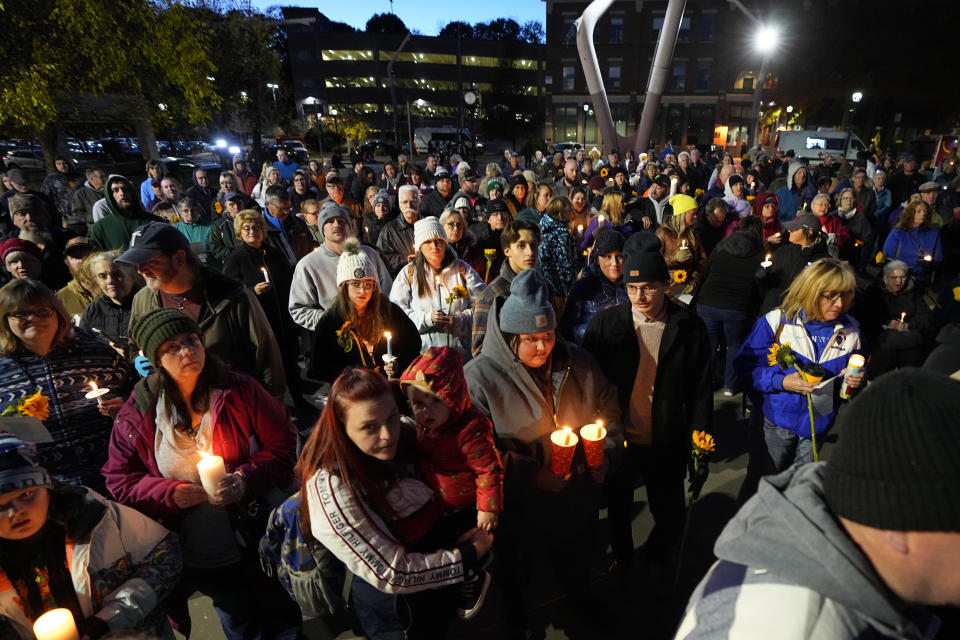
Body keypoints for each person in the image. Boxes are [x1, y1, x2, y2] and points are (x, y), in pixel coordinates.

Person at [676, 368, 960, 640]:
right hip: (782, 420)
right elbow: (748, 366)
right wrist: (781, 380)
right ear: (901, 518)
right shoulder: (778, 627)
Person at [103, 308, 302, 640]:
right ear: (156, 359)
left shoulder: (238, 389)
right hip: (199, 548)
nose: (186, 351)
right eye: (172, 347)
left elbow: (283, 443)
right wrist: (168, 493)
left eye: (191, 341)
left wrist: (244, 479)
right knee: (237, 617)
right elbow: (119, 479)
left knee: (279, 609)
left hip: (255, 532)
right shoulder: (140, 409)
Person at [464, 269, 621, 635]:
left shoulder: (579, 363)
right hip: (520, 509)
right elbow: (477, 452)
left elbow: (609, 407)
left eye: (547, 336)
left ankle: (580, 603)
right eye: (531, 339)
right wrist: (533, 475)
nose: (542, 347)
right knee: (517, 577)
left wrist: (608, 453)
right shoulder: (480, 378)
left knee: (577, 565)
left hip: (576, 498)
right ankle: (517, 621)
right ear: (509, 336)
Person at [300, 367, 494, 638]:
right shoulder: (332, 488)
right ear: (342, 428)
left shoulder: (405, 431)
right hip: (395, 609)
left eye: (391, 418)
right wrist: (468, 556)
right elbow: (392, 573)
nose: (387, 435)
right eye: (369, 427)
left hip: (435, 581)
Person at [582, 232, 712, 579]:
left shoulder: (689, 328)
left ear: (666, 284)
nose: (640, 297)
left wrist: (700, 443)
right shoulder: (607, 325)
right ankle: (624, 563)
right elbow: (589, 385)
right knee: (619, 512)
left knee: (671, 515)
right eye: (631, 288)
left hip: (665, 439)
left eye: (649, 287)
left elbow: (700, 391)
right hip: (619, 440)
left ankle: (655, 557)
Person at [0, 434, 182, 640]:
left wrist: (105, 621)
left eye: (26, 495)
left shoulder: (96, 519)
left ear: (46, 488)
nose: (16, 512)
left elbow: (165, 558)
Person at [736, 259, 864, 496]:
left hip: (819, 422)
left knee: (800, 490)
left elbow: (850, 374)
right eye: (830, 296)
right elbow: (744, 367)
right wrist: (781, 381)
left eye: (845, 295)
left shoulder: (852, 331)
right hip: (776, 422)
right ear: (811, 290)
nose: (839, 304)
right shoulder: (777, 322)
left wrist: (852, 380)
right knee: (763, 488)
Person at [119, 222, 286, 399]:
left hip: (232, 406)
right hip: (179, 410)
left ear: (179, 258)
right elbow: (134, 344)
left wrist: (270, 405)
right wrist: (139, 356)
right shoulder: (143, 299)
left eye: (150, 261)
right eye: (138, 263)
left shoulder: (232, 296)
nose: (141, 270)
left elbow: (266, 356)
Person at [0, 279, 133, 492]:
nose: (32, 318)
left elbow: (141, 399)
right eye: (20, 313)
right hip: (46, 491)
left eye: (42, 311)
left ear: (57, 313)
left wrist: (125, 405)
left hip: (115, 477)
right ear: (5, 320)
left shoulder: (98, 354)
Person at [222, 210, 308, 413]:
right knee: (267, 367)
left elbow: (289, 281)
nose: (253, 231)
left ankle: (298, 399)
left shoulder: (274, 254)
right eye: (247, 228)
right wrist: (252, 291)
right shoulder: (236, 259)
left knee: (290, 362)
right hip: (259, 322)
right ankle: (271, 408)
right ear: (240, 232)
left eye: (257, 227)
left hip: (283, 320)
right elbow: (228, 291)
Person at [309, 239, 420, 385]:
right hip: (353, 394)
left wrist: (398, 365)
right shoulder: (332, 321)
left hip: (388, 390)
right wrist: (356, 375)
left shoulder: (389, 311)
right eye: (355, 284)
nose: (363, 290)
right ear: (344, 286)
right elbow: (321, 368)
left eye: (368, 284)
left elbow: (412, 345)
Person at [389, 218, 485, 358]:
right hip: (425, 357)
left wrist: (459, 321)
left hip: (460, 357)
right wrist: (427, 319)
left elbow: (483, 306)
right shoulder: (408, 274)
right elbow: (397, 314)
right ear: (420, 247)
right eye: (428, 242)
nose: (435, 246)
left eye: (439, 240)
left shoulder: (463, 270)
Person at [289, 202, 391, 330]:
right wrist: (332, 321)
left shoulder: (369, 254)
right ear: (322, 228)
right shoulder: (308, 265)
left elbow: (388, 292)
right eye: (330, 221)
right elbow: (298, 309)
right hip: (335, 338)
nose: (336, 224)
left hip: (373, 331)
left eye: (341, 221)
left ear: (349, 226)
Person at [697, 229, 765, 395]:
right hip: (737, 308)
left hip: (709, 303)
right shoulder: (756, 257)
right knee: (734, 345)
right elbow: (759, 285)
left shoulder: (720, 251)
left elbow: (705, 273)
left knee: (710, 344)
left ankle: (707, 383)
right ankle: (730, 384)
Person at [855, 259, 932, 378]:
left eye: (902, 277)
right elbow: (863, 315)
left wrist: (909, 325)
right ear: (885, 278)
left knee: (911, 364)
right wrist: (887, 323)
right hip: (883, 338)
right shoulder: (875, 292)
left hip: (909, 339)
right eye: (894, 277)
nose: (899, 281)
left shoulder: (913, 293)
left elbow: (925, 317)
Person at [560, 228, 628, 344]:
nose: (614, 263)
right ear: (597, 259)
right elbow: (566, 331)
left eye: (619, 256)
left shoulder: (633, 285)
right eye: (608, 257)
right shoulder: (583, 287)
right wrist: (599, 329)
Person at [757, 212, 831, 313]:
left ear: (809, 232)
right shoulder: (783, 251)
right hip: (771, 313)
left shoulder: (822, 261)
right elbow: (769, 282)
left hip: (797, 318)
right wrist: (763, 277)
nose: (789, 230)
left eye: (795, 228)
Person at [80, 251, 140, 360]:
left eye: (117, 274)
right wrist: (107, 351)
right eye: (102, 276)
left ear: (132, 275)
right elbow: (82, 348)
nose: (110, 281)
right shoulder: (93, 310)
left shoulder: (146, 303)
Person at [7, 193, 75, 290]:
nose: (29, 218)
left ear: (45, 215)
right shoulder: (6, 246)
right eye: (22, 214)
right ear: (14, 219)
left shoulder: (66, 237)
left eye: (34, 212)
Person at [88, 176, 163, 251]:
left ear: (131, 192)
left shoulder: (154, 222)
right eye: (116, 190)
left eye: (125, 189)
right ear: (110, 195)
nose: (122, 193)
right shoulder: (100, 229)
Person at [882, 200, 942, 280]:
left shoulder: (934, 233)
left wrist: (930, 264)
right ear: (910, 214)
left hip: (921, 280)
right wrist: (916, 261)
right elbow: (887, 257)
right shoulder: (898, 232)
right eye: (919, 211)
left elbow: (938, 258)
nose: (923, 213)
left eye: (925, 211)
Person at [536, 196, 578, 299]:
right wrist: (570, 290)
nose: (572, 213)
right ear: (561, 214)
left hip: (545, 286)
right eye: (569, 210)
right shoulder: (561, 235)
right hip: (559, 290)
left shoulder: (542, 230)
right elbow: (565, 265)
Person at [377, 184, 421, 276]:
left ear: (419, 203)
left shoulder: (428, 225)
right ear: (399, 205)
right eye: (404, 202)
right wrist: (404, 259)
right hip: (402, 279)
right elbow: (381, 259)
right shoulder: (389, 231)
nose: (409, 205)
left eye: (413, 201)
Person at [54, 236, 97, 317]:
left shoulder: (111, 289)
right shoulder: (61, 299)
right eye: (75, 256)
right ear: (67, 263)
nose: (81, 261)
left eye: (86, 255)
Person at [440, 204, 484, 277]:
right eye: (451, 224)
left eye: (459, 225)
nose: (456, 228)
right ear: (442, 225)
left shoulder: (473, 248)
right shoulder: (438, 249)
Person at [40, 156, 80, 225]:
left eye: (64, 163)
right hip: (66, 215)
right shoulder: (51, 179)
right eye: (59, 164)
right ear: (55, 166)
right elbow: (45, 197)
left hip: (82, 212)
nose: (62, 166)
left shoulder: (78, 177)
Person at [68, 167, 106, 236]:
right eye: (102, 177)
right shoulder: (81, 193)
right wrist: (96, 216)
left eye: (105, 176)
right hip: (96, 228)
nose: (105, 179)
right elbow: (77, 213)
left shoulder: (111, 189)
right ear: (91, 179)